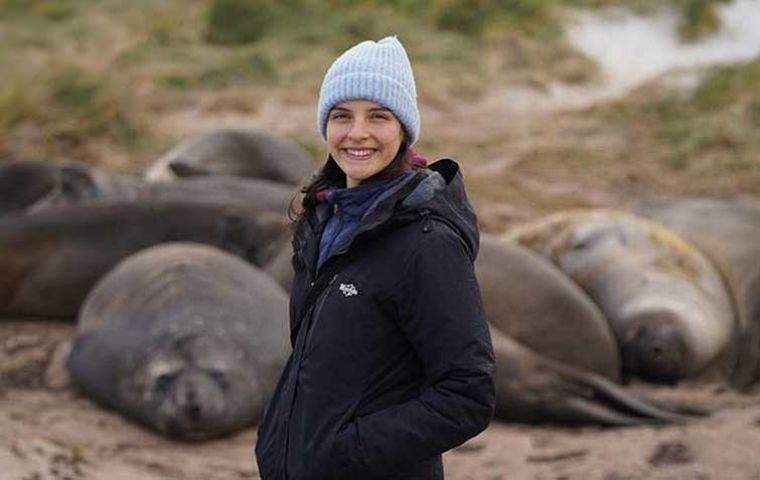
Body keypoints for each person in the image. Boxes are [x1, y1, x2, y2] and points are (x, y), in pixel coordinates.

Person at [255, 36, 496, 480]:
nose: (358, 133)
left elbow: (469, 393)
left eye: (379, 117)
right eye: (342, 116)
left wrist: (346, 450)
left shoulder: (427, 242)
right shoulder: (320, 223)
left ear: (404, 129)